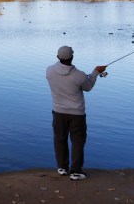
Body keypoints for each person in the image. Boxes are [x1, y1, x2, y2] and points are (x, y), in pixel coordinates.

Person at [46, 45, 107, 181]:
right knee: (77, 142)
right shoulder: (79, 75)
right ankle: (76, 171)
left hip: (58, 112)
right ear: (72, 57)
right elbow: (88, 86)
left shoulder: (49, 71)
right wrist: (96, 72)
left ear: (57, 57)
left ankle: (62, 168)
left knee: (59, 139)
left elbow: (65, 79)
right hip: (77, 114)